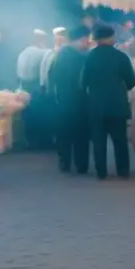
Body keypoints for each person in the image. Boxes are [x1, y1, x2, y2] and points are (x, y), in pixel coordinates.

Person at [83, 24, 135, 179]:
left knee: (98, 141)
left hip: (96, 106)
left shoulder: (89, 57)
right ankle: (123, 171)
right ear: (111, 38)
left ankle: (101, 172)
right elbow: (131, 82)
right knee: (120, 140)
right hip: (117, 105)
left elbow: (83, 82)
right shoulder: (121, 56)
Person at [51, 26, 92, 175]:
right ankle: (82, 165)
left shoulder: (60, 55)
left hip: (63, 101)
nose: (89, 42)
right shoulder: (83, 57)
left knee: (64, 133)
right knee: (82, 134)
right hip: (80, 101)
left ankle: (64, 162)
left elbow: (52, 77)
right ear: (82, 39)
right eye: (88, 39)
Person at [16, 29, 50, 148]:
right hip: (35, 87)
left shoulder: (22, 53)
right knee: (41, 115)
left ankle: (31, 142)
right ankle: (43, 143)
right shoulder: (41, 52)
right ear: (40, 40)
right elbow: (52, 54)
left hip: (23, 86)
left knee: (27, 115)